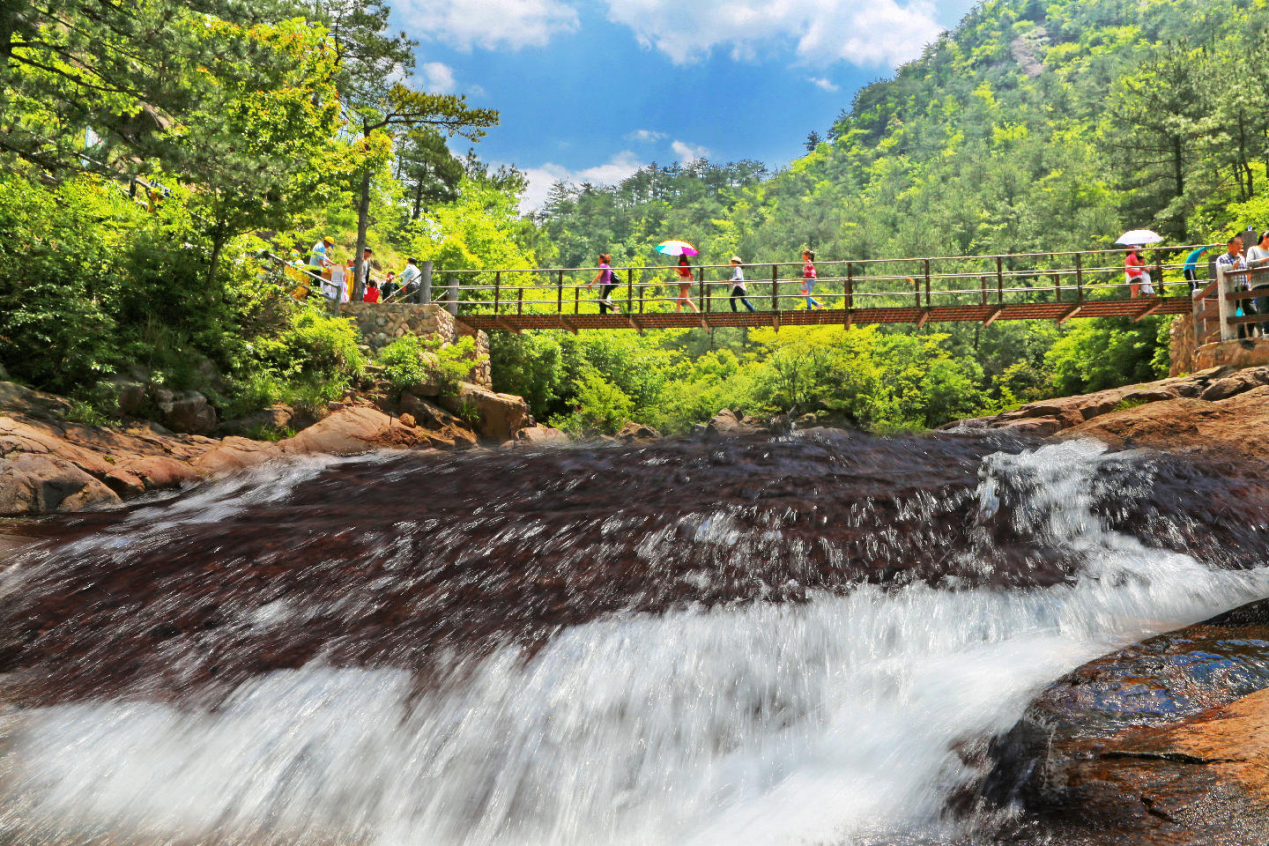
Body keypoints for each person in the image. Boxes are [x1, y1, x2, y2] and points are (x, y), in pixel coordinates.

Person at [1217, 233, 1253, 338]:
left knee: (1253, 312)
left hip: (1244, 288)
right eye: (1237, 244)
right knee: (1238, 315)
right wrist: (1232, 267)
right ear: (1229, 245)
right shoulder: (1222, 259)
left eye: (1241, 244)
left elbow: (1247, 272)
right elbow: (1220, 275)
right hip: (1232, 290)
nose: (1239, 247)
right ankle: (1240, 337)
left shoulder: (1242, 258)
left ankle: (1247, 335)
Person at [1245, 231, 1269, 335]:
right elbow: (1249, 263)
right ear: (1264, 237)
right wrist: (1266, 259)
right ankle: (1267, 333)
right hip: (1259, 284)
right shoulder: (1253, 249)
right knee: (1264, 309)